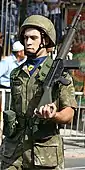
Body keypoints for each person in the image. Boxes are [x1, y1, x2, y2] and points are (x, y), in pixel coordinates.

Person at [0, 15, 77, 170]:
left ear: (45, 41)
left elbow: (69, 113)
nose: (28, 42)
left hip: (44, 153)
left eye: (33, 38)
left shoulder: (60, 74)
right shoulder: (16, 73)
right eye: (26, 38)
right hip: (14, 152)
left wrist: (54, 115)